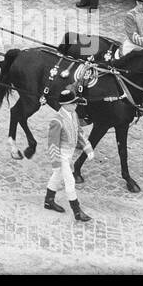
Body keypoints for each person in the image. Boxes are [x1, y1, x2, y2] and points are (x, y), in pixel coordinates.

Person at [44, 88, 92, 221]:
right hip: (61, 154)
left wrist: (87, 148)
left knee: (57, 176)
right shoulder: (57, 120)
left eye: (75, 102)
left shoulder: (74, 114)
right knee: (70, 181)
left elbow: (79, 132)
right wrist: (56, 162)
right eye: (73, 103)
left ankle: (49, 200)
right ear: (64, 105)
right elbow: (52, 143)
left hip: (69, 153)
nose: (75, 105)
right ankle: (77, 212)